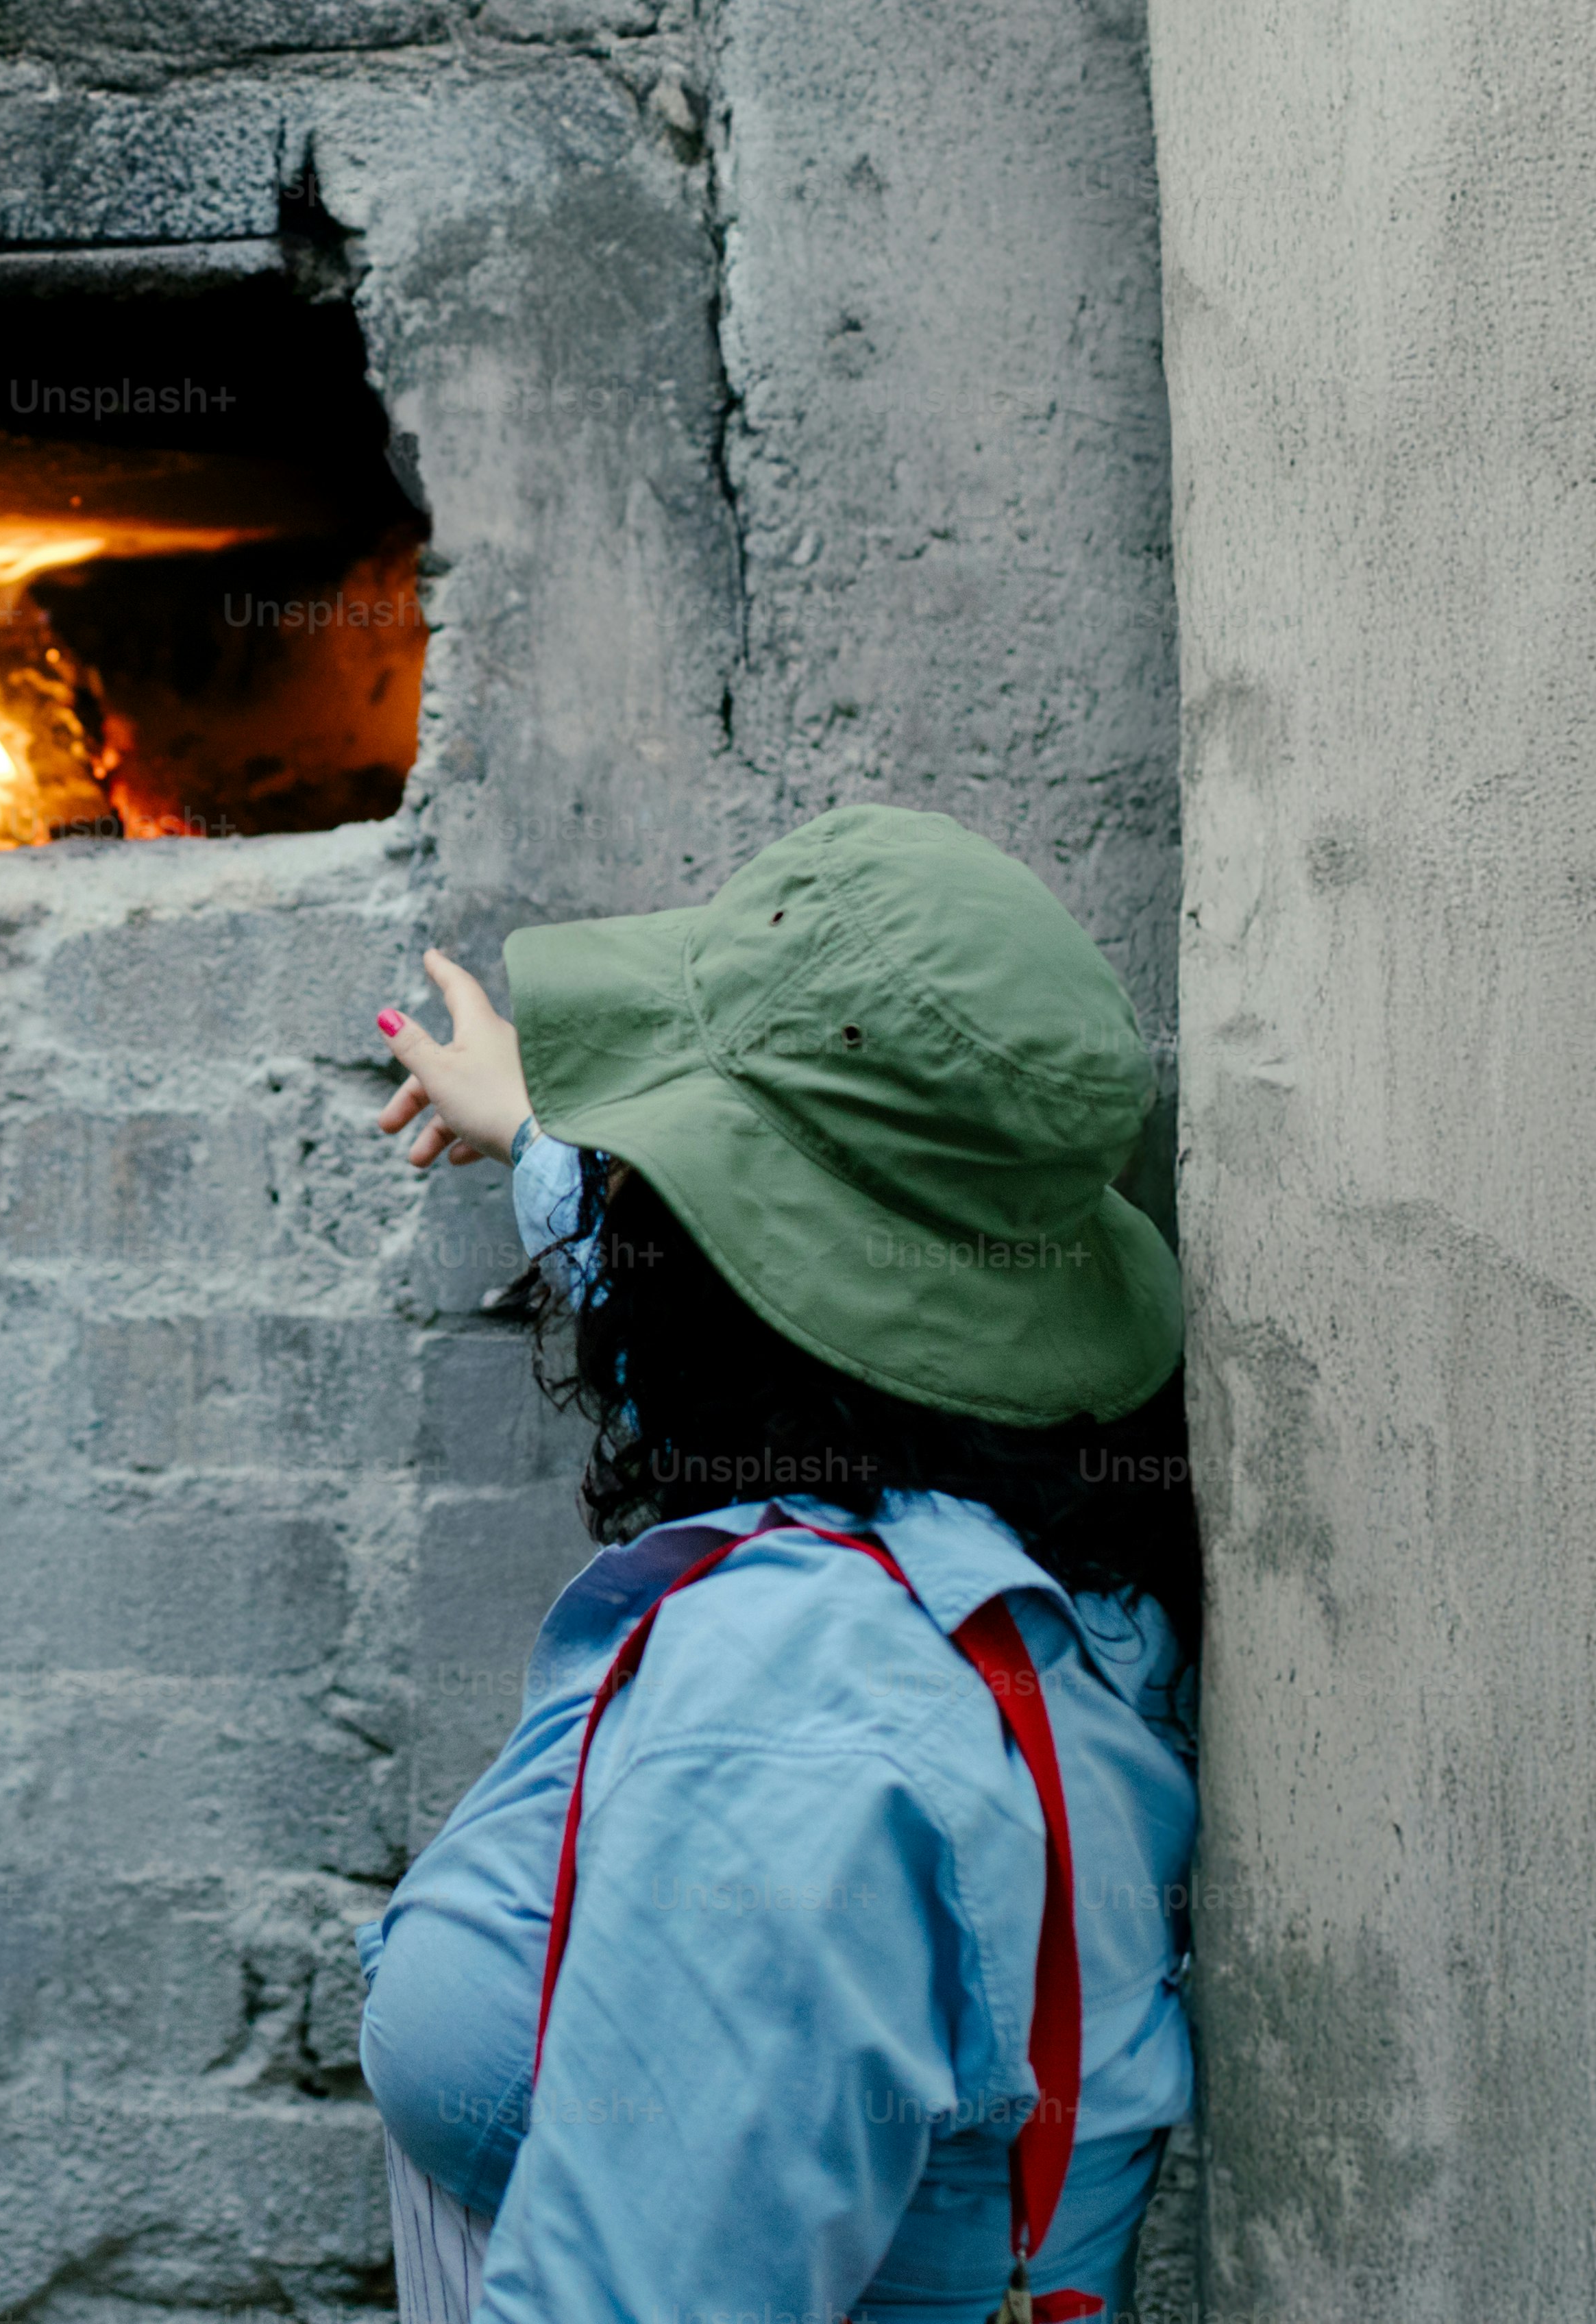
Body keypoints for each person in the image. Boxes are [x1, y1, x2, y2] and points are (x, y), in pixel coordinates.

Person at [356, 806, 1201, 2324]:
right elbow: (777, 1305)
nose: (617, 1185)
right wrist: (538, 1135)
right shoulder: (1027, 1515)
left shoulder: (798, 1714)